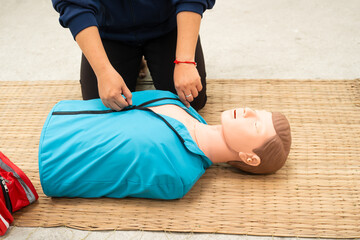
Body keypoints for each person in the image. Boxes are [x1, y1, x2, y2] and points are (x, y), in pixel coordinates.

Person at [38, 90, 291, 199]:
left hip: (54, 158)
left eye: (255, 124)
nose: (247, 111)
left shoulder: (177, 174)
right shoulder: (178, 102)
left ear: (249, 158)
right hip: (64, 113)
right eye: (256, 111)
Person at [51, 0, 215, 111]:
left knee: (191, 101)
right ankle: (136, 64)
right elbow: (73, 4)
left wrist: (185, 60)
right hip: (109, 31)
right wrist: (103, 71)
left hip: (166, 25)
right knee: (104, 107)